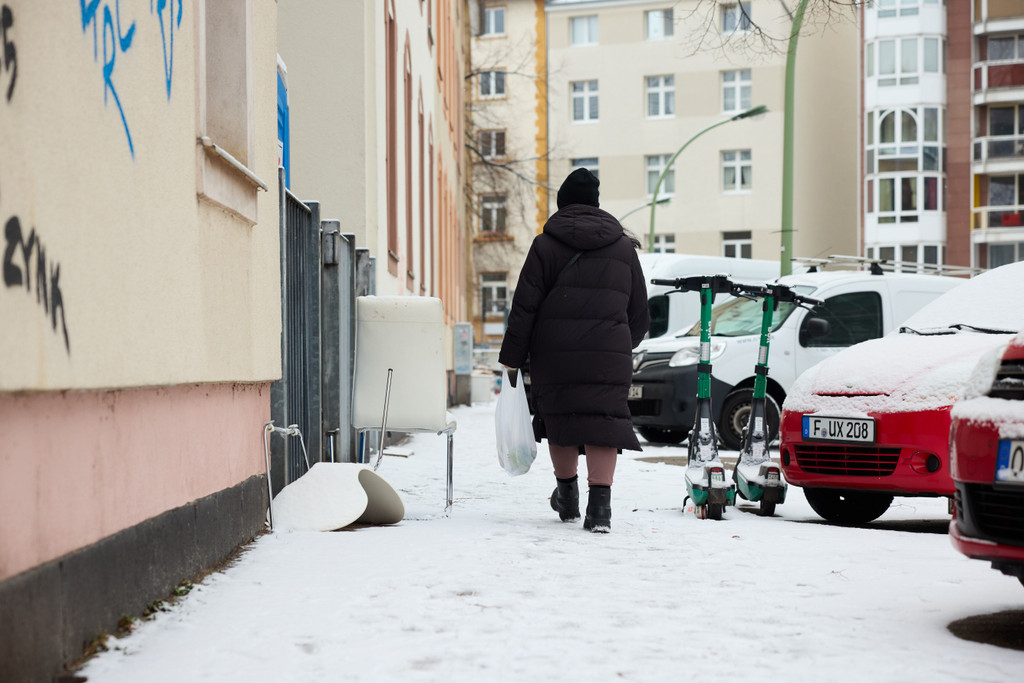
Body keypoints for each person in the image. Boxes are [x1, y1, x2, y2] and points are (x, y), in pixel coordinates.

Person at [498, 168, 650, 533]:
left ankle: (567, 499)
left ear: (562, 203)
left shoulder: (545, 245)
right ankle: (601, 510)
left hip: (555, 354)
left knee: (561, 420)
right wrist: (616, 345)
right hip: (607, 356)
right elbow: (640, 314)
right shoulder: (623, 248)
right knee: (604, 424)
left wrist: (512, 358)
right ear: (597, 204)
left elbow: (524, 308)